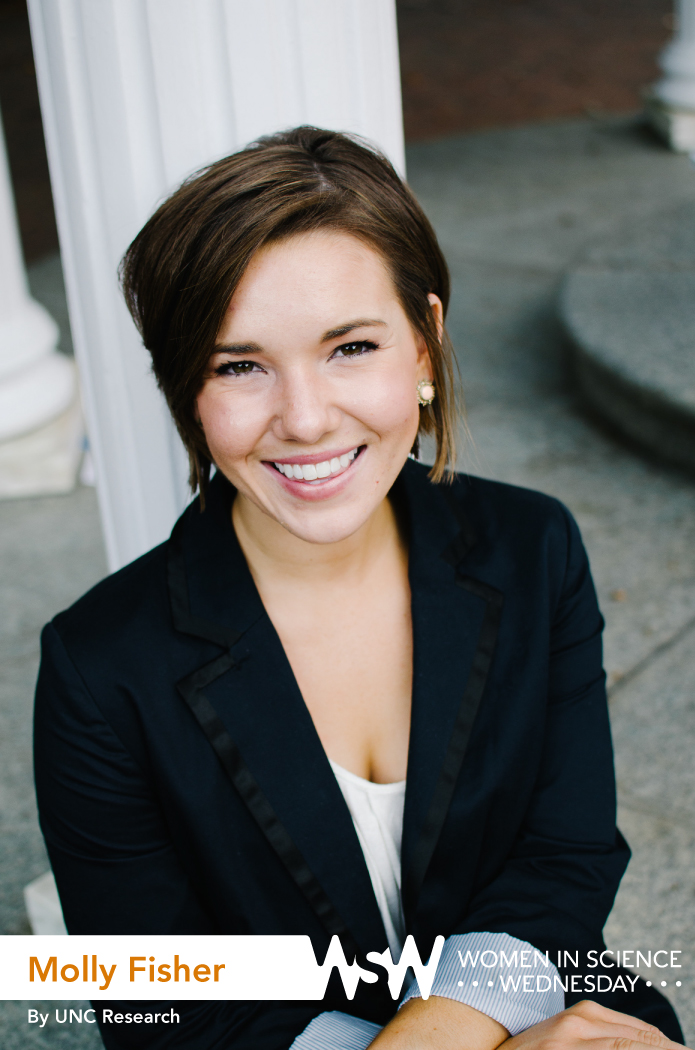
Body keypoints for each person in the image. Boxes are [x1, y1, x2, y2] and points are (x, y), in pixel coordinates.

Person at [34, 127, 685, 1050]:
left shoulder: (531, 546)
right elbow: (164, 1012)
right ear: (187, 391)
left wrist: (465, 1029)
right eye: (239, 365)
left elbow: (562, 855)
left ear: (423, 345)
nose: (304, 419)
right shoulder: (98, 668)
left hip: (528, 1001)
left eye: (350, 348)